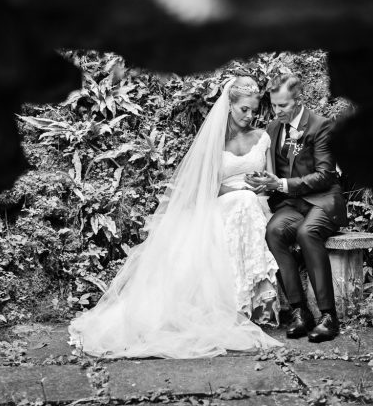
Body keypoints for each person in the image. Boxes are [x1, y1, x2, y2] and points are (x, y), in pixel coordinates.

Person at [68, 76, 282, 358]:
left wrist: (264, 186)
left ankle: (252, 301)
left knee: (248, 202)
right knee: (243, 200)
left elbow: (271, 181)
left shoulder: (262, 137)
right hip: (221, 206)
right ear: (229, 106)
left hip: (256, 206)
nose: (249, 115)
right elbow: (206, 186)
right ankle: (246, 302)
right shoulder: (214, 141)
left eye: (253, 110)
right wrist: (243, 188)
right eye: (243, 109)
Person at [246, 73, 348, 342]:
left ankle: (329, 317)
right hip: (292, 205)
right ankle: (300, 312)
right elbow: (271, 173)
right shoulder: (272, 129)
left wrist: (279, 183)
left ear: (298, 99)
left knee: (307, 232)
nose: (277, 111)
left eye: (283, 106)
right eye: (274, 105)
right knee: (273, 231)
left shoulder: (321, 126)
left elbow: (326, 175)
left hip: (324, 200)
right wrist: (262, 183)